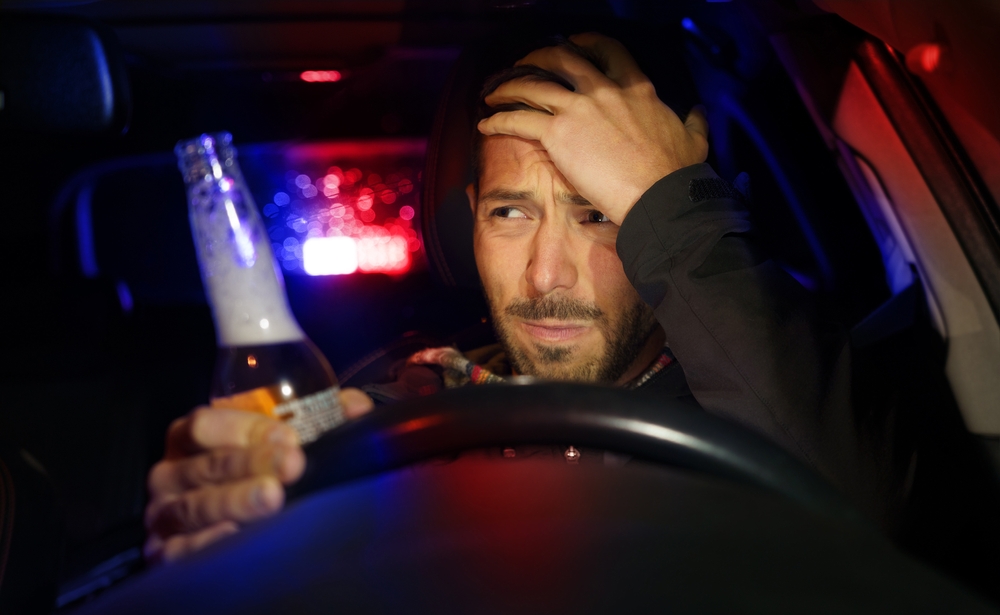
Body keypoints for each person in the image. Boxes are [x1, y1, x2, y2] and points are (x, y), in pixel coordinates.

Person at [144, 34, 883, 564]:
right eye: (510, 212)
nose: (544, 276)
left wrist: (672, 202)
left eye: (601, 214)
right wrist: (214, 554)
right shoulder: (394, 421)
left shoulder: (772, 402)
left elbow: (858, 541)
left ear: (664, 229)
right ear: (470, 218)